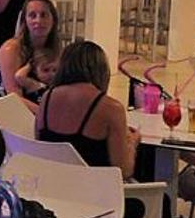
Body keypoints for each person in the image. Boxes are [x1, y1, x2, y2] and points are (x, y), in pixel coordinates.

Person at [34, 40, 139, 172]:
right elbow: (124, 170)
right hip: (94, 183)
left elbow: (40, 142)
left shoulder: (47, 98)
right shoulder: (111, 108)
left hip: (52, 180)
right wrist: (132, 143)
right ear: (101, 70)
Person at [0, 0, 65, 103]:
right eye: (32, 16)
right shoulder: (11, 49)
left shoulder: (55, 49)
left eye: (44, 15)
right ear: (25, 21)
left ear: (53, 20)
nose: (38, 20)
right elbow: (15, 98)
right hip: (10, 108)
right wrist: (45, 112)